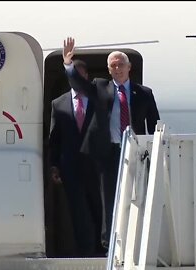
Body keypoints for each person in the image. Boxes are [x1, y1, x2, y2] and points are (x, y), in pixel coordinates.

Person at [62, 37, 161, 250]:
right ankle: (109, 245)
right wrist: (68, 64)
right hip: (107, 153)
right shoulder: (99, 87)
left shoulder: (144, 93)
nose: (117, 69)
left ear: (129, 67)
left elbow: (153, 123)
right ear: (109, 69)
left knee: (137, 195)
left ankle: (136, 241)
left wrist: (155, 150)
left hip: (135, 151)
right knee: (109, 199)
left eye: (121, 65)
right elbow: (78, 84)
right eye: (113, 66)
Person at [48, 59, 104, 257]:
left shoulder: (98, 96)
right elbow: (55, 139)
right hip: (70, 166)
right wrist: (54, 166)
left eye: (81, 76)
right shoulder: (58, 103)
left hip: (96, 165)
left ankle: (100, 247)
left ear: (87, 77)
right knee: (78, 211)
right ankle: (85, 251)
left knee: (98, 208)